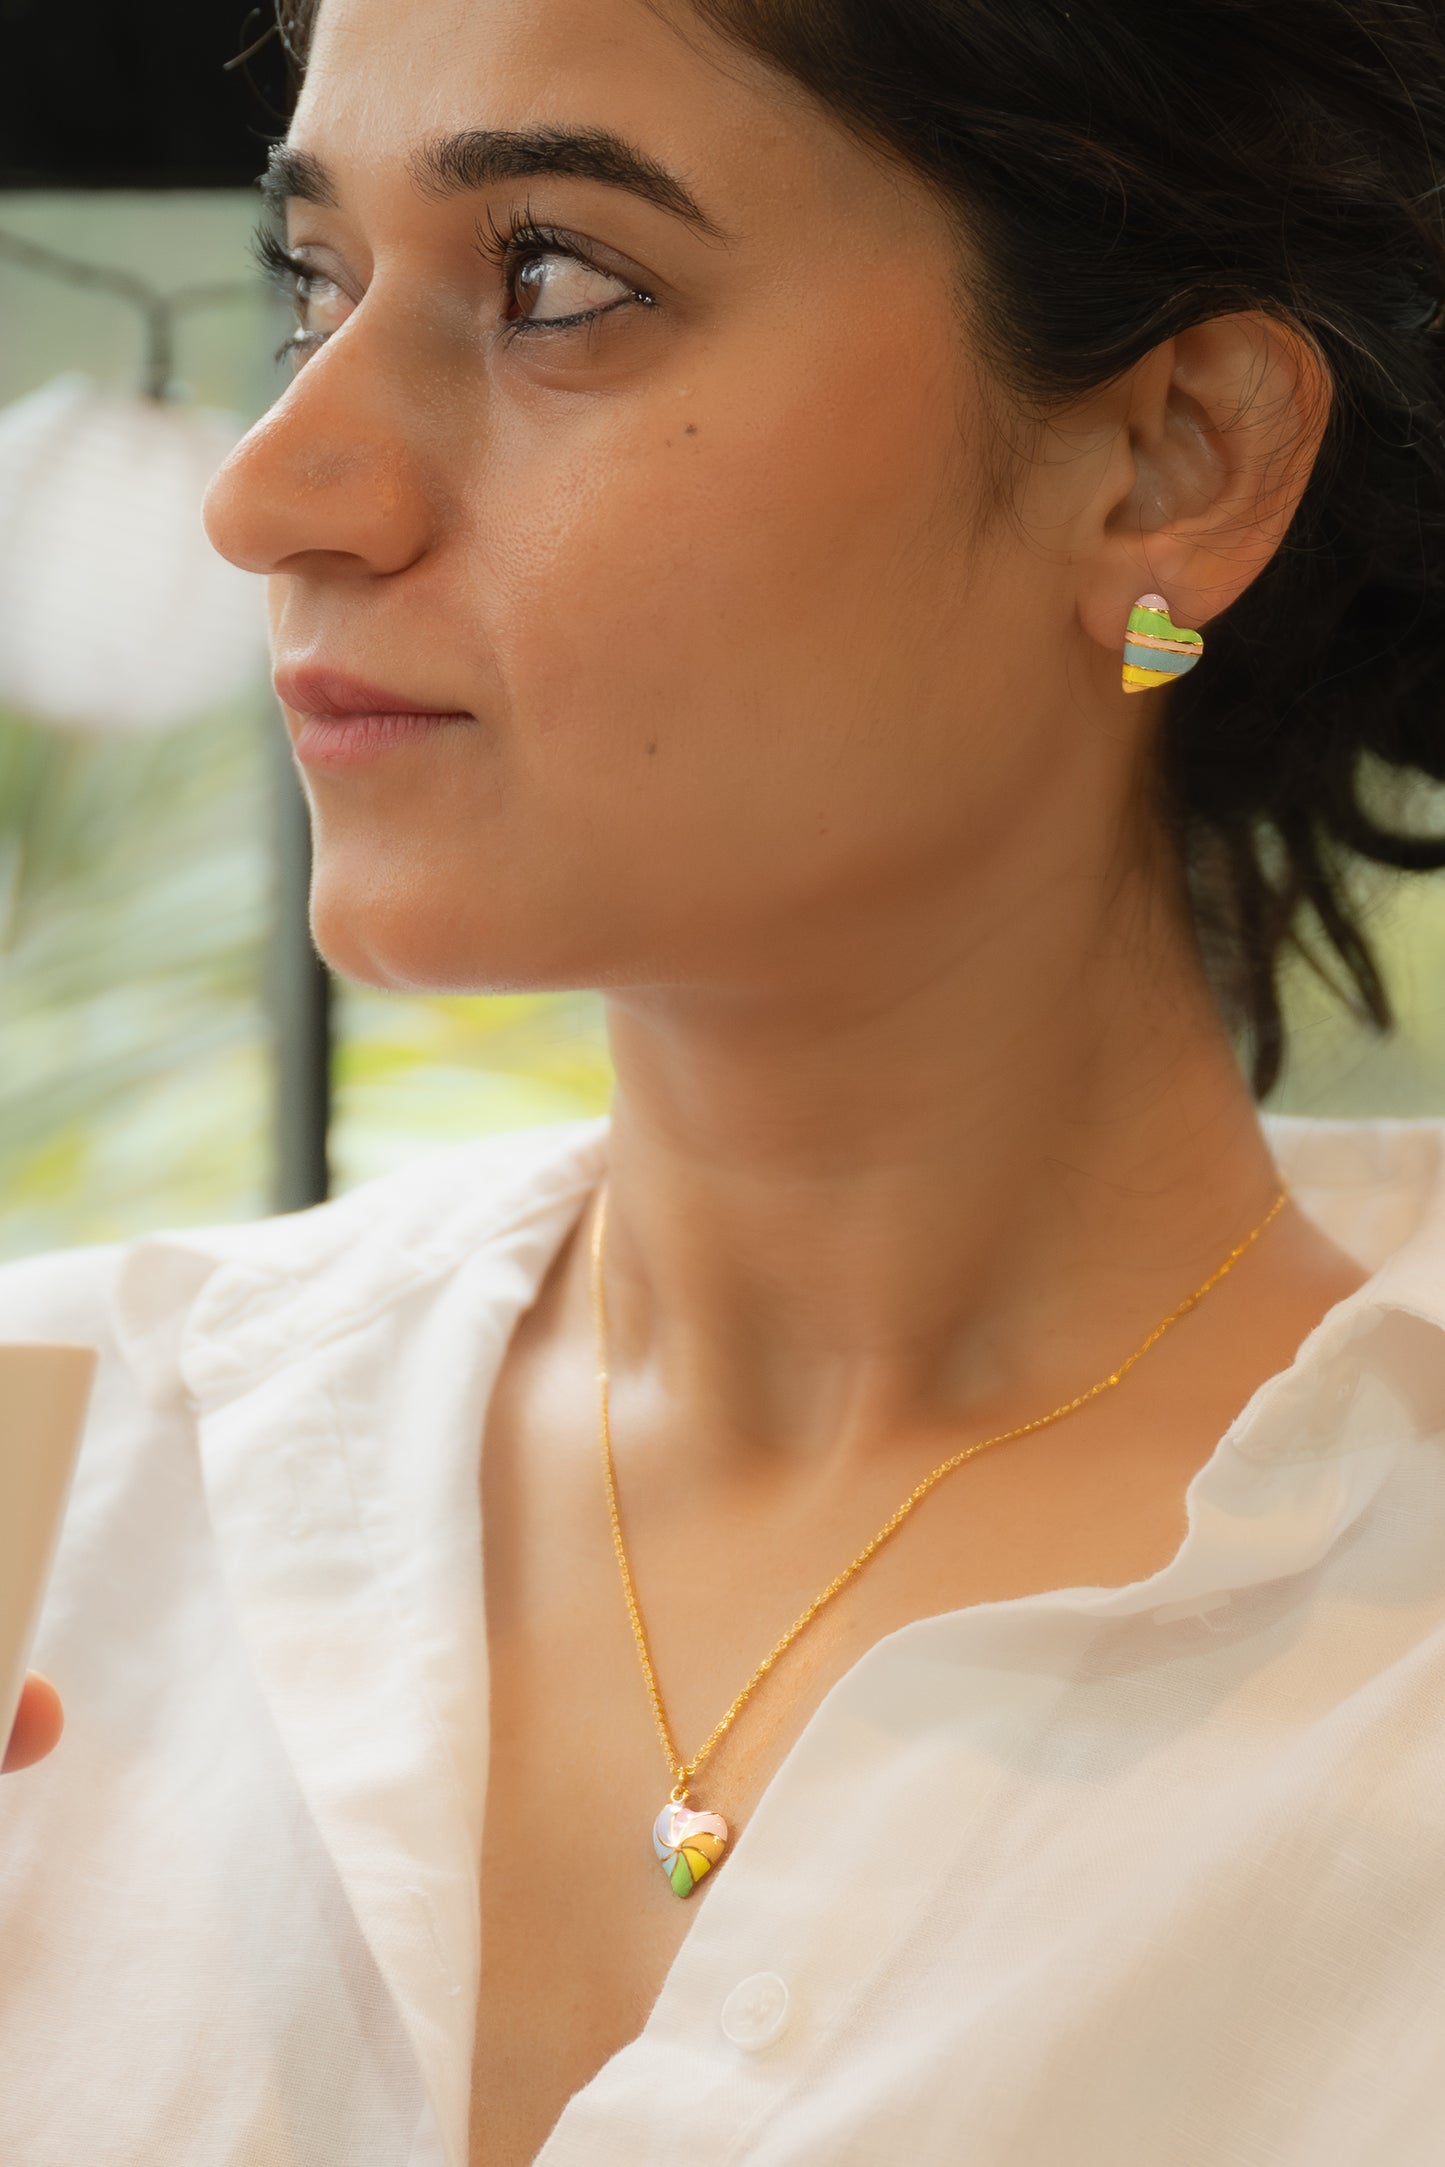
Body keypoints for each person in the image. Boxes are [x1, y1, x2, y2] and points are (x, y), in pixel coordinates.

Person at [5, 0, 1445, 2160]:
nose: (274, 484)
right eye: (314, 280)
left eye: (554, 280)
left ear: (1173, 454)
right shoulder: (76, 1481)